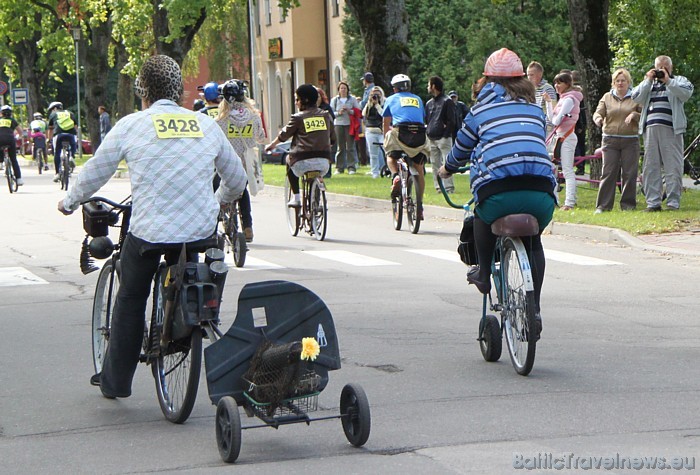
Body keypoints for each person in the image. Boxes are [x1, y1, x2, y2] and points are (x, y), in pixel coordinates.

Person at [57, 54, 247, 399]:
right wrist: (216, 200)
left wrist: (69, 202)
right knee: (198, 263)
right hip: (200, 232)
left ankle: (115, 382)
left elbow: (96, 171)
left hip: (149, 233)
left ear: (142, 91)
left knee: (131, 294)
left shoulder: (132, 125)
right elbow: (237, 180)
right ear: (178, 92)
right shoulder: (205, 125)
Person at [440, 48, 557, 339]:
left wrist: (446, 169)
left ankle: (481, 272)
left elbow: (461, 150)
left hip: (498, 192)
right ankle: (535, 308)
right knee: (533, 244)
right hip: (541, 194)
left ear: (487, 79)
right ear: (523, 80)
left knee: (481, 213)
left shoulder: (479, 111)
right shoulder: (534, 110)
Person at [632, 55, 694, 211]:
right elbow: (635, 97)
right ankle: (653, 203)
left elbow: (686, 94)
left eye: (665, 67)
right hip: (650, 129)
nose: (662, 70)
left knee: (673, 166)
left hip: (671, 130)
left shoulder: (679, 80)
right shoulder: (649, 84)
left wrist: (668, 81)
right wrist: (648, 80)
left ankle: (673, 203)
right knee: (651, 167)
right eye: (659, 67)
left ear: (671, 67)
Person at [265, 84, 336, 208]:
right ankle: (316, 201)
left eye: (297, 99)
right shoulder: (326, 116)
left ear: (305, 100)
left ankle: (296, 197)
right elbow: (333, 139)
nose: (296, 103)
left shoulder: (298, 117)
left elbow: (284, 135)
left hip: (301, 162)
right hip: (324, 162)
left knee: (288, 160)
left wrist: (271, 145)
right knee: (316, 175)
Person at [216, 79, 267, 242]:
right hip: (247, 164)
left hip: (227, 164)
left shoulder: (221, 120)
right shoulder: (254, 116)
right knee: (242, 192)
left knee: (216, 187)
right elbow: (261, 137)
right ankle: (248, 227)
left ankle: (215, 221)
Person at [592, 68, 642, 213]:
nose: (620, 83)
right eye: (617, 81)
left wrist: (634, 115)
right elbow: (598, 111)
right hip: (610, 139)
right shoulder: (607, 97)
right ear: (614, 83)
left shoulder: (635, 97)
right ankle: (603, 206)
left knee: (629, 173)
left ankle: (628, 205)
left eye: (623, 81)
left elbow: (643, 113)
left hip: (630, 140)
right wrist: (598, 119)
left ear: (628, 82)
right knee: (608, 172)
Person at [382, 73, 429, 220]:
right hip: (419, 135)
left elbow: (386, 122)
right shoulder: (418, 99)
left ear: (395, 89)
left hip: (401, 132)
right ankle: (419, 205)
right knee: (419, 167)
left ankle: (396, 175)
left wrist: (385, 137)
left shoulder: (391, 99)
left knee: (390, 156)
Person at [543, 72, 583, 210]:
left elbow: (556, 121)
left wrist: (556, 117)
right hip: (559, 137)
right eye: (555, 83)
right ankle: (555, 200)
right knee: (553, 169)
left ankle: (569, 203)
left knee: (567, 170)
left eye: (559, 83)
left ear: (567, 84)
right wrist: (549, 102)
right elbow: (552, 118)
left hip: (567, 136)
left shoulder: (569, 100)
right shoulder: (562, 99)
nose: (556, 86)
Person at [425, 76, 456, 193]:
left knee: (446, 163)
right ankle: (438, 187)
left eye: (429, 85)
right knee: (434, 164)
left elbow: (451, 120)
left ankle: (448, 187)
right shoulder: (429, 104)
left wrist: (446, 134)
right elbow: (428, 119)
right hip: (432, 137)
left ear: (433, 86)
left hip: (443, 138)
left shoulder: (447, 101)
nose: (428, 87)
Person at [330, 81, 360, 174]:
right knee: (340, 147)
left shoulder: (352, 99)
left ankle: (351, 167)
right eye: (341, 88)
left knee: (350, 146)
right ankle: (339, 167)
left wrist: (349, 111)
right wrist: (338, 113)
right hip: (338, 124)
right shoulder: (335, 100)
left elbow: (358, 111)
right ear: (338, 90)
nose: (343, 90)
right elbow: (331, 113)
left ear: (347, 90)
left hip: (349, 124)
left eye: (345, 88)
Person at [47, 101, 77, 183]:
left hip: (59, 134)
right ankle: (72, 156)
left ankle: (57, 173)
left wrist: (49, 140)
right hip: (71, 134)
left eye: (52, 109)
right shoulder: (70, 113)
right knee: (72, 145)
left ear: (55, 108)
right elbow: (75, 126)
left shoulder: (53, 115)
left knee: (57, 152)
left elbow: (50, 129)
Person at [527, 61, 557, 134]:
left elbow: (553, 110)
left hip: (544, 129)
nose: (529, 78)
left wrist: (547, 129)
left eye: (532, 75)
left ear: (540, 75)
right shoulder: (530, 89)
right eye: (528, 75)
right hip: (533, 126)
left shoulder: (548, 88)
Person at [362, 85, 386, 178]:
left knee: (386, 151)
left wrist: (377, 105)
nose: (375, 95)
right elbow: (363, 113)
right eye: (373, 93)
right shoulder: (369, 103)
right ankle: (375, 173)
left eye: (377, 93)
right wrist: (370, 103)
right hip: (370, 130)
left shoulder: (384, 102)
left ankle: (387, 169)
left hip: (381, 130)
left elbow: (384, 114)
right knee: (373, 153)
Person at [0, 105, 24, 185]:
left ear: (1, 113)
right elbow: (20, 131)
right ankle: (19, 179)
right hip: (10, 139)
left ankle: (1, 163)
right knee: (13, 159)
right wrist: (19, 137)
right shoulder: (12, 120)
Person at [571, 71, 587, 174]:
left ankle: (579, 165)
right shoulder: (580, 92)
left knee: (577, 145)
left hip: (577, 122)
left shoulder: (576, 93)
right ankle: (581, 165)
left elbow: (579, 110)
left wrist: (580, 124)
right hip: (580, 121)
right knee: (580, 145)